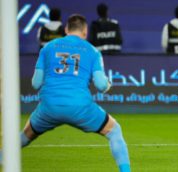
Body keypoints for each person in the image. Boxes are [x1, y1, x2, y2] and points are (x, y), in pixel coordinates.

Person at [21, 14, 130, 172]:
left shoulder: (48, 47)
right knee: (114, 131)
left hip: (49, 106)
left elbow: (35, 83)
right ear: (85, 32)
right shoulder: (93, 51)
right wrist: (108, 85)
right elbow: (100, 85)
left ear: (66, 29)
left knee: (25, 136)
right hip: (80, 106)